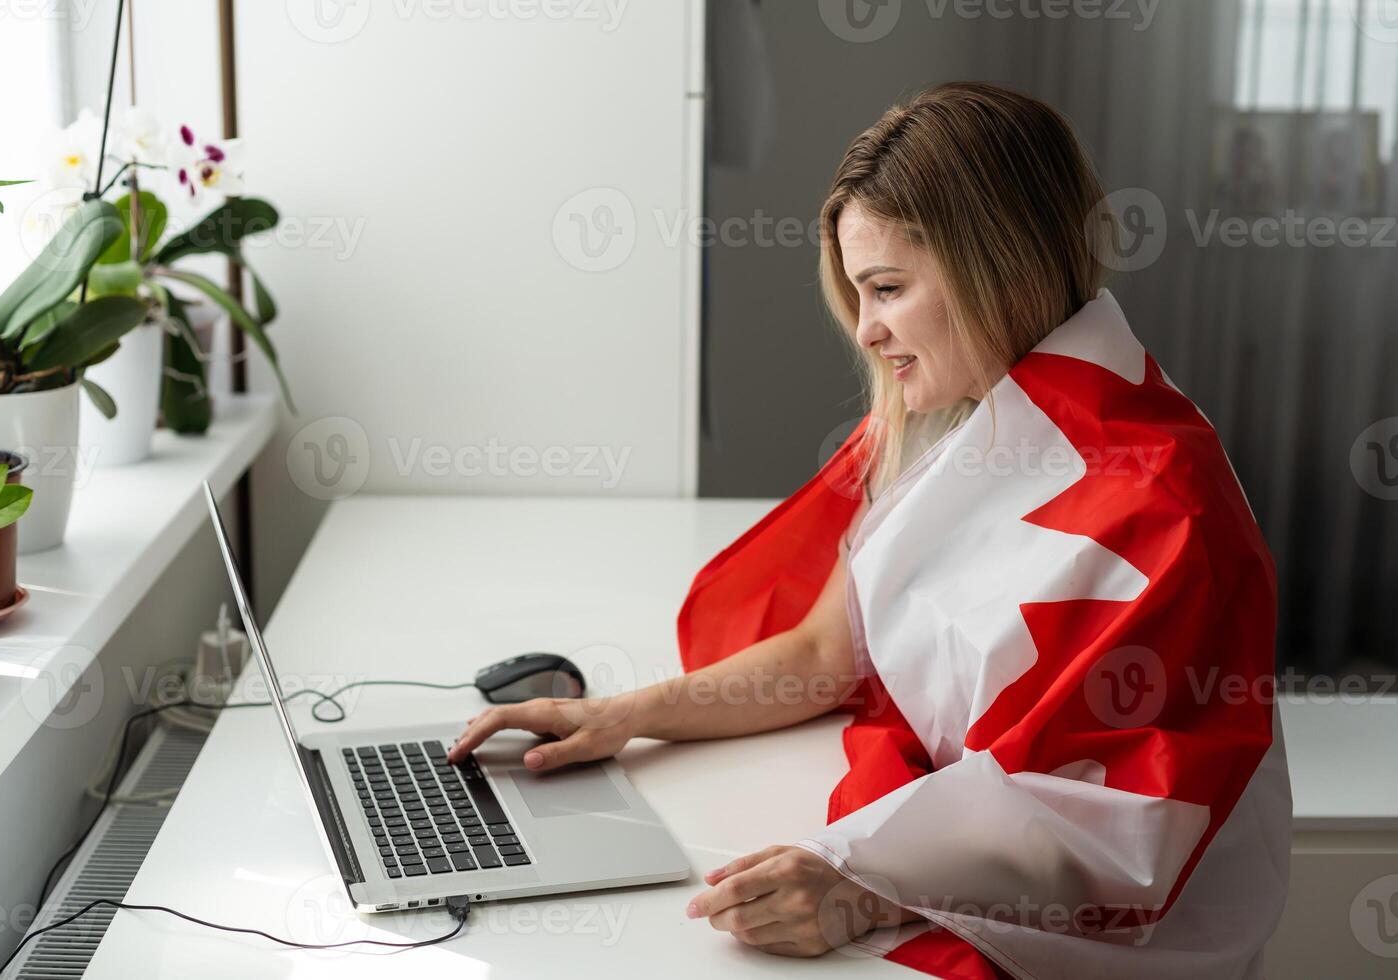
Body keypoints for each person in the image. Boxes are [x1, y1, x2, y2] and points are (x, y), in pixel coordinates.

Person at [449, 82, 1291, 979]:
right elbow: (826, 653)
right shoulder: (952, 424)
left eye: (887, 288)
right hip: (934, 842)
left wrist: (862, 880)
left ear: (995, 266)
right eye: (858, 294)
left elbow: (1118, 827)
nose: (866, 330)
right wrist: (616, 717)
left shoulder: (1165, 504)